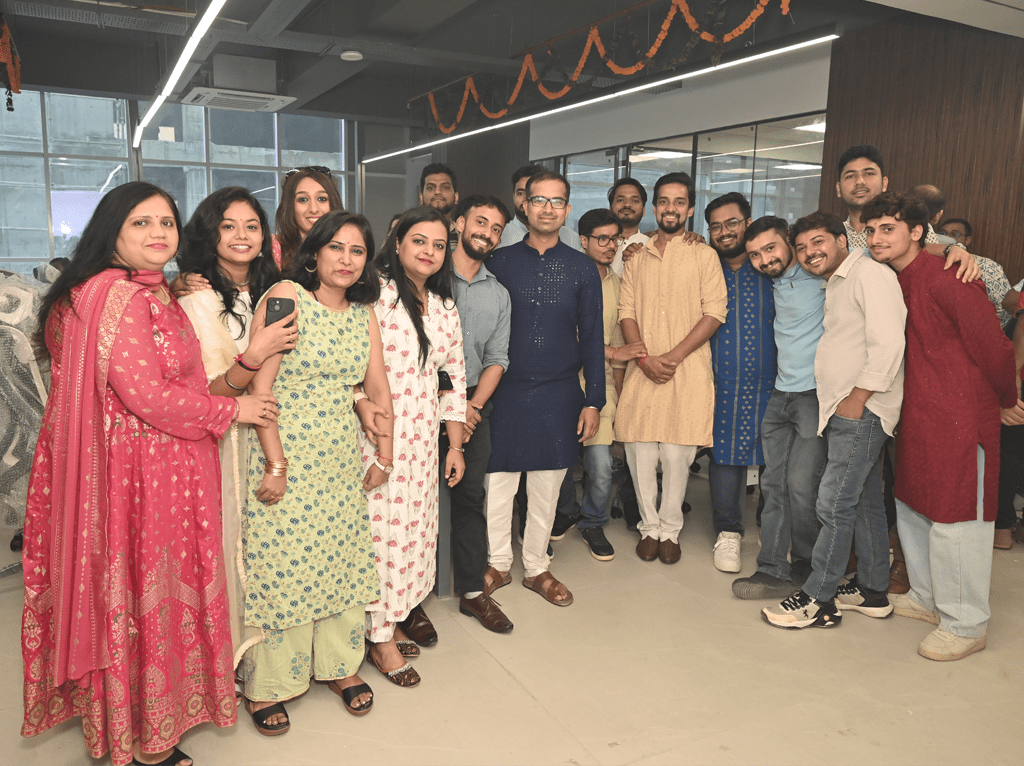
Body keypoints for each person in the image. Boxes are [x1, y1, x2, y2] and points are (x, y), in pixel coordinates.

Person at [21, 181, 278, 766]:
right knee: (141, 594)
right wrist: (232, 410)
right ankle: (141, 737)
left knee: (136, 597)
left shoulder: (129, 290)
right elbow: (147, 396)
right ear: (111, 231)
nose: (158, 233)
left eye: (166, 222)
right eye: (141, 222)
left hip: (145, 467)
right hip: (137, 475)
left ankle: (131, 719)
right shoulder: (120, 297)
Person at [240, 210, 393, 731]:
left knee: (339, 562)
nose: (346, 260)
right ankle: (268, 685)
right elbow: (260, 388)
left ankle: (338, 666)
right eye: (336, 248)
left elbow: (377, 387)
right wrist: (276, 464)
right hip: (284, 453)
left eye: (357, 251)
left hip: (338, 459)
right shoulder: (286, 297)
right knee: (283, 569)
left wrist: (385, 454)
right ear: (315, 253)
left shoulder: (362, 314)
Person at [863, 192, 1019, 660]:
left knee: (958, 518)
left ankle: (966, 623)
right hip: (919, 412)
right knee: (914, 506)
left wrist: (1005, 400)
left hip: (962, 415)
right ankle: (928, 598)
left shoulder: (950, 276)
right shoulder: (896, 276)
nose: (876, 238)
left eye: (887, 228)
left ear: (916, 232)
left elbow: (993, 345)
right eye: (870, 230)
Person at [762, 211, 905, 630]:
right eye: (801, 247)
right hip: (845, 407)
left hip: (862, 407)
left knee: (833, 502)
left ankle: (818, 599)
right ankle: (873, 591)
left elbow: (889, 344)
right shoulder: (839, 280)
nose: (810, 252)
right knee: (864, 500)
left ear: (842, 240)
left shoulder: (870, 275)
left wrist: (858, 398)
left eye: (818, 241)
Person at [176, 186, 299, 668]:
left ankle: (273, 658)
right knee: (231, 549)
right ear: (210, 234)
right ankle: (231, 663)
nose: (241, 236)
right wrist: (254, 354)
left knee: (274, 552)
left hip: (283, 430)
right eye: (228, 226)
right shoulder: (197, 298)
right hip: (226, 443)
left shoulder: (278, 289)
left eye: (251, 226)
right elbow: (209, 392)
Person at [485, 170, 605, 608]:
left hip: (559, 393)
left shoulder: (581, 267)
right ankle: (498, 563)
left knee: (547, 486)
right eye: (539, 200)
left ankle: (536, 566)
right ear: (525, 206)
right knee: (499, 483)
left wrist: (594, 401)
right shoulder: (498, 261)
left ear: (567, 210)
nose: (548, 208)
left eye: (557, 201)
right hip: (504, 391)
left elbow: (592, 338)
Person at [364, 206, 467, 686]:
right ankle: (379, 636)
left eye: (438, 245)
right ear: (398, 242)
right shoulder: (375, 294)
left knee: (413, 533)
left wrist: (455, 445)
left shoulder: (444, 305)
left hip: (424, 440)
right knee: (380, 534)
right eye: (419, 241)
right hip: (376, 433)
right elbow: (355, 367)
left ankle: (394, 614)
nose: (429, 251)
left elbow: (453, 377)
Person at [616, 172, 727, 565]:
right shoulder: (637, 256)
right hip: (643, 367)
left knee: (678, 455)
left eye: (679, 202)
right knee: (641, 452)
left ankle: (670, 530)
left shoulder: (704, 255)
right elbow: (626, 311)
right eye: (664, 201)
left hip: (687, 368)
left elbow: (715, 313)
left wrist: (673, 357)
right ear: (655, 207)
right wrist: (643, 358)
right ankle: (648, 528)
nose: (671, 208)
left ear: (690, 209)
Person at [549, 209, 642, 561]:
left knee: (601, 466)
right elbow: (566, 333)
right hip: (562, 382)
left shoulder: (619, 285)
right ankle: (567, 511)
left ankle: (593, 521)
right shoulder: (566, 277)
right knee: (558, 464)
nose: (610, 246)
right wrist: (614, 351)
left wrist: (616, 396)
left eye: (615, 239)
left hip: (600, 387)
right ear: (584, 240)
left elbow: (619, 347)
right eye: (602, 239)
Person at [445, 194, 516, 633]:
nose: (486, 233)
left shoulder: (499, 294)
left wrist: (471, 408)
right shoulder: (429, 277)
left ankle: (472, 592)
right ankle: (404, 605)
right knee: (411, 499)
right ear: (459, 223)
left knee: (471, 496)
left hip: (473, 401)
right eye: (480, 222)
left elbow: (497, 358)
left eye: (495, 228)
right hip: (418, 399)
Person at [704, 192, 776, 574]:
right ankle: (728, 532)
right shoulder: (704, 265)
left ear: (748, 223)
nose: (724, 231)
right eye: (715, 226)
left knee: (774, 459)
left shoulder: (770, 264)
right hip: (721, 382)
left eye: (732, 223)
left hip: (775, 381)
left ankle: (770, 529)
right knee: (724, 456)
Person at [498, 164, 583, 250]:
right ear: (513, 196)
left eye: (539, 197)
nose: (526, 198)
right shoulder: (498, 235)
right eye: (521, 193)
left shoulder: (572, 238)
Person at [274, 166, 344, 269]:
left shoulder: (349, 247)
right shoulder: (272, 248)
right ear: (289, 206)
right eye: (303, 199)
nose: (314, 209)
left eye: (321, 199)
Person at [608, 177, 650, 276]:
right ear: (610, 209)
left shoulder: (652, 246)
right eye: (620, 200)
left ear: (644, 210)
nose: (627, 204)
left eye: (634, 201)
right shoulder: (595, 245)